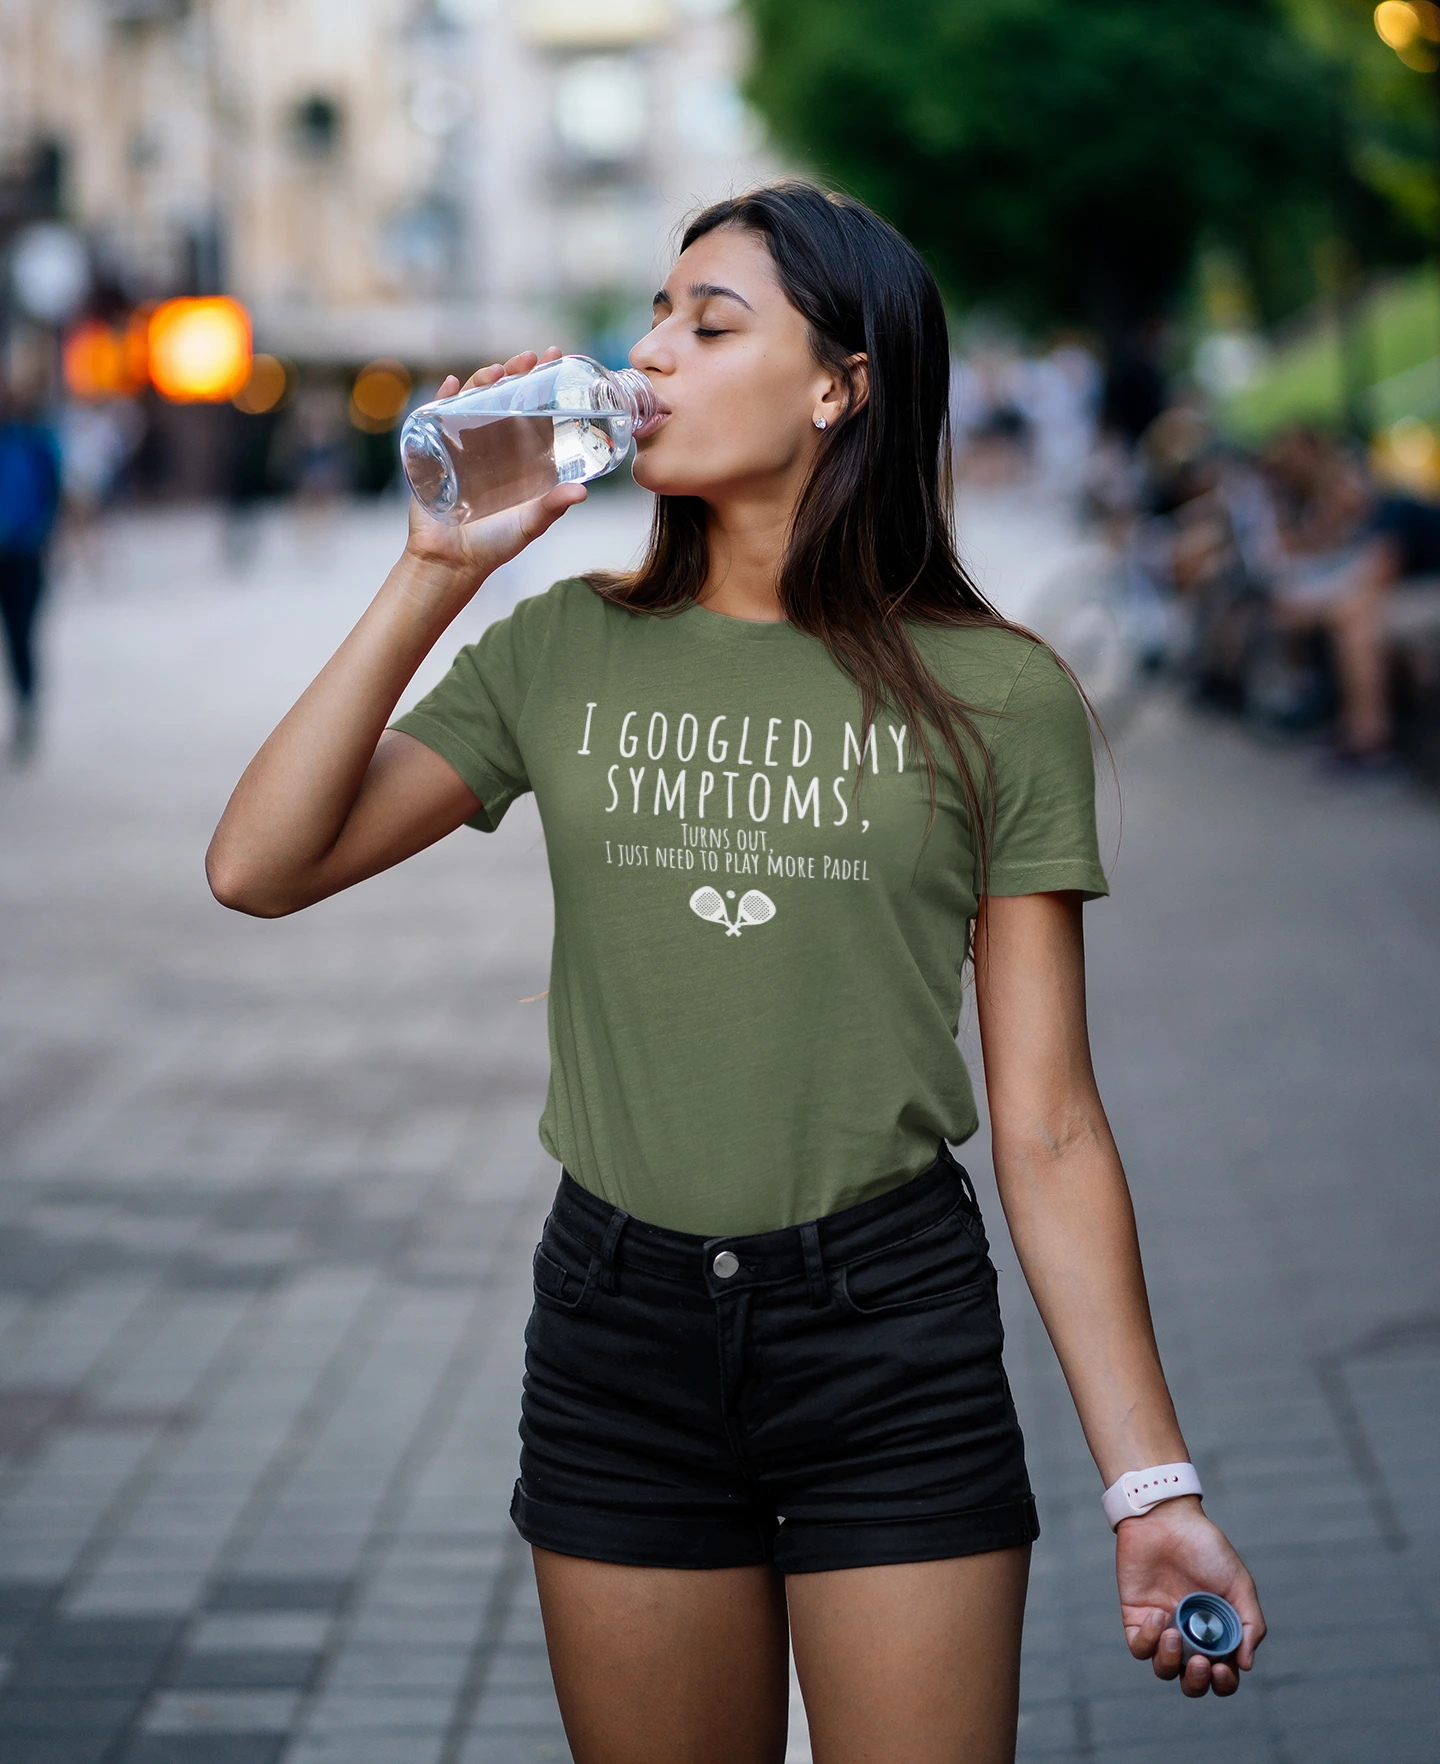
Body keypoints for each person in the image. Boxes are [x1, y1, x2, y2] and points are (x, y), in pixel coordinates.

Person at [207, 183, 1264, 1763]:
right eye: (654, 319)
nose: (652, 357)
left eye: (711, 324)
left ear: (840, 386)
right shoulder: (564, 647)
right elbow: (258, 867)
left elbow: (1046, 1125)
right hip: (617, 1330)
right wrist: (437, 567)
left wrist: (1152, 1487)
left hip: (889, 1331)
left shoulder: (996, 694)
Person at [0, 374, 62, 762]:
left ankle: (26, 705)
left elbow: (52, 493)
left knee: (21, 634)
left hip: (23, 552)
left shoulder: (37, 441)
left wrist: (41, 534)